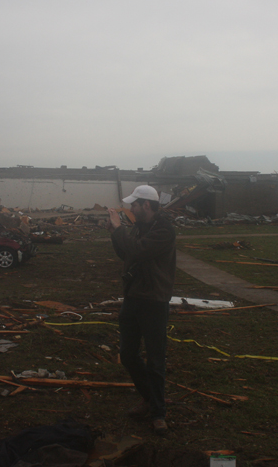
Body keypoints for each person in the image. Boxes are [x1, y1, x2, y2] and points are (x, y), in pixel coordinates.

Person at [107, 185, 176, 436]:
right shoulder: (138, 227)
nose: (131, 208)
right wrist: (115, 235)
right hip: (133, 297)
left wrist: (119, 230)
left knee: (156, 360)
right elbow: (127, 253)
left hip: (154, 300)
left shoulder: (164, 230)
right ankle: (149, 399)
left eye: (134, 204)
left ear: (146, 205)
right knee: (127, 354)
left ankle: (158, 413)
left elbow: (137, 250)